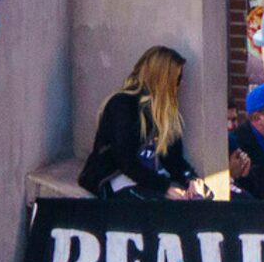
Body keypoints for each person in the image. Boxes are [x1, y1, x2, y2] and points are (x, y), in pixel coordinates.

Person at [80, 45, 202, 198]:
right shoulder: (123, 104)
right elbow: (125, 161)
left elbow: (174, 159)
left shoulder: (166, 112)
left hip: (151, 178)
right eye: (177, 79)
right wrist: (165, 187)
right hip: (118, 177)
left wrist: (190, 179)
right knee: (164, 209)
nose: (181, 84)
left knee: (201, 200)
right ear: (162, 80)